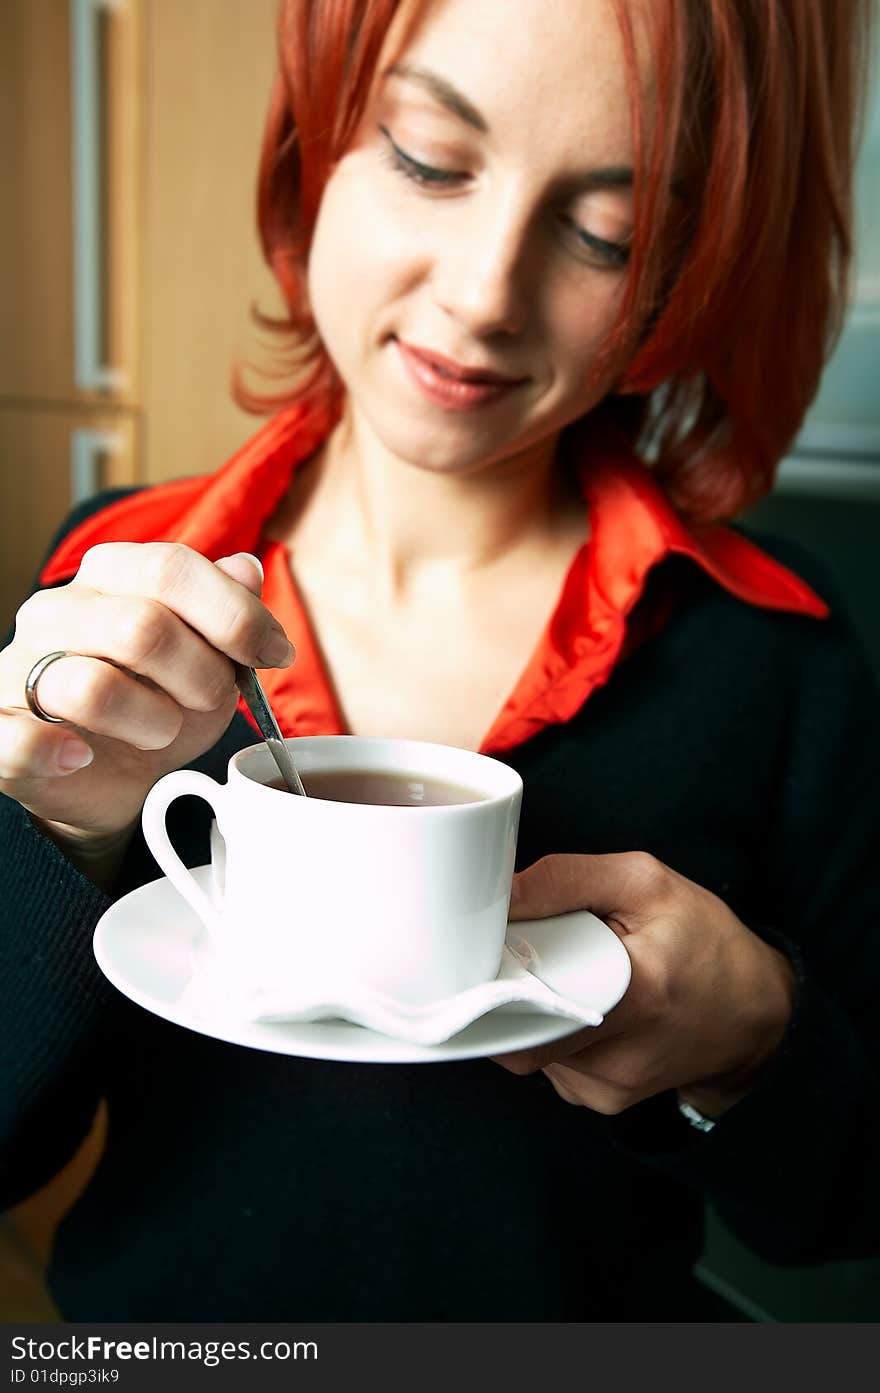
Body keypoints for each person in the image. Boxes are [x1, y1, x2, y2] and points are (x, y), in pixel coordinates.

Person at [1, 0, 878, 1322]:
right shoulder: (109, 589)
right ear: (318, 140)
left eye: (606, 234)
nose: (482, 294)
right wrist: (51, 840)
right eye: (427, 156)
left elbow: (846, 1210)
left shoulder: (773, 656)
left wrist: (759, 1039)